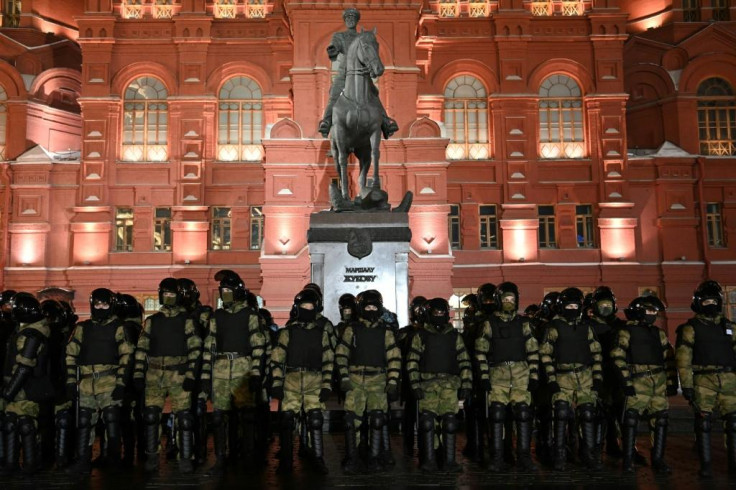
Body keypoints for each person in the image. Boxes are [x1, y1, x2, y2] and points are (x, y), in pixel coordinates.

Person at [133, 278, 202, 474]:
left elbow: (195, 349)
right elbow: (141, 349)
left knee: (184, 419)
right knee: (151, 416)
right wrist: (138, 373)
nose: (169, 297)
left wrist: (191, 375)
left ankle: (185, 458)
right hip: (154, 374)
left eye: (172, 294)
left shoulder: (187, 321)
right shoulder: (152, 321)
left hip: (178, 373)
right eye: (166, 294)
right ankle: (152, 455)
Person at [201, 271, 265, 474]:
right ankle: (220, 458)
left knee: (246, 416)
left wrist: (256, 373)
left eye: (229, 290)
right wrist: (205, 378)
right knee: (219, 417)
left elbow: (258, 346)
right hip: (220, 371)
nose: (225, 293)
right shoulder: (217, 316)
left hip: (242, 368)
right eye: (223, 290)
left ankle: (247, 457)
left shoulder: (251, 315)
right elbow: (208, 347)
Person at [64, 289, 134, 474]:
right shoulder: (82, 328)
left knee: (112, 420)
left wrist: (121, 384)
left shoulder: (119, 327)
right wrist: (71, 382)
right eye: (97, 304)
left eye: (104, 305)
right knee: (84, 422)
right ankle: (83, 461)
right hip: (87, 382)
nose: (100, 308)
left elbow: (126, 356)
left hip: (109, 380)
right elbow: (70, 354)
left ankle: (113, 460)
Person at [475, 282, 539, 472]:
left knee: (523, 414)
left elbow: (533, 351)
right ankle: (497, 457)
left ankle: (524, 457)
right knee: (496, 415)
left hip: (520, 373)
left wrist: (534, 376)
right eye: (505, 299)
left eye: (512, 299)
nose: (509, 302)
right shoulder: (488, 324)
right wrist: (484, 377)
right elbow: (480, 352)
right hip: (498, 374)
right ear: (498, 301)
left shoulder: (524, 323)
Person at [270, 289, 333, 474]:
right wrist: (276, 383)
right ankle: (286, 461)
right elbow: (277, 359)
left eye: (310, 307)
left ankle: (318, 459)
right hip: (292, 380)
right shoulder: (287, 332)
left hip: (314, 380)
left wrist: (327, 384)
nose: (307, 309)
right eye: (304, 306)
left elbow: (329, 360)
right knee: (287, 421)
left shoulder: (322, 333)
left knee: (315, 420)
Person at [676, 280, 736, 477]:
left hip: (729, 380)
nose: (710, 304)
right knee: (703, 423)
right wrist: (686, 385)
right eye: (706, 300)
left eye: (713, 300)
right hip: (703, 380)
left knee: (733, 422)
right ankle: (706, 466)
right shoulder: (691, 327)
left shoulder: (730, 327)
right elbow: (683, 358)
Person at [336, 289, 401, 473]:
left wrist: (393, 381)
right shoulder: (352, 329)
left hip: (378, 380)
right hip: (355, 379)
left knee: (377, 419)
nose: (370, 309)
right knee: (351, 421)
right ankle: (351, 457)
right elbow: (341, 354)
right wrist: (344, 377)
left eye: (374, 306)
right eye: (367, 306)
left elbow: (394, 357)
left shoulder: (386, 331)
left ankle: (374, 457)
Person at [540, 287, 603, 471]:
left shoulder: (586, 327)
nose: (572, 308)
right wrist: (551, 380)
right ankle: (559, 454)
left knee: (588, 414)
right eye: (569, 305)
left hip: (584, 377)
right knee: (560, 414)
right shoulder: (554, 327)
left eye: (575, 305)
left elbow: (596, 354)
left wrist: (597, 378)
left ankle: (587, 453)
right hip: (562, 376)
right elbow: (545, 355)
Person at [611, 296, 677, 473]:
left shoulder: (659, 333)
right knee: (630, 420)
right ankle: (628, 459)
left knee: (661, 420)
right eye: (649, 311)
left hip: (659, 383)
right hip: (637, 381)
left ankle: (658, 460)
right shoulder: (626, 331)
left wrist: (672, 382)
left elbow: (669, 358)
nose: (652, 315)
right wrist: (625, 382)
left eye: (654, 312)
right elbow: (618, 357)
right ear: (639, 312)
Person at [407, 298, 472, 472]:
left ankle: (449, 460)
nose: (439, 316)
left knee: (449, 422)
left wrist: (466, 384)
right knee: (428, 422)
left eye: (442, 313)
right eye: (436, 313)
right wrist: (415, 385)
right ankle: (429, 459)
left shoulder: (454, 336)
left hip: (449, 384)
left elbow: (464, 361)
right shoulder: (420, 335)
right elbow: (412, 361)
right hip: (427, 384)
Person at [317, 7, 398, 140]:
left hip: (362, 74)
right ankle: (326, 122)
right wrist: (333, 49)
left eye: (353, 18)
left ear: (356, 20)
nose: (350, 20)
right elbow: (334, 47)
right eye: (348, 18)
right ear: (345, 20)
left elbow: (370, 53)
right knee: (334, 95)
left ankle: (386, 122)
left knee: (374, 95)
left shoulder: (363, 37)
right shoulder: (339, 36)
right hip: (344, 72)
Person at [0, 293, 51, 475]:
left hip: (28, 387)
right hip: (18, 385)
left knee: (26, 424)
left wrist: (8, 393)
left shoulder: (32, 333)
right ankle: (11, 463)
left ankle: (31, 464)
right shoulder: (23, 330)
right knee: (11, 423)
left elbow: (23, 367)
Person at [397, 296, 426, 455]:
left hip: (427, 378)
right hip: (409, 377)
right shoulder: (404, 333)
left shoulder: (430, 333)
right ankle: (408, 445)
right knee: (410, 414)